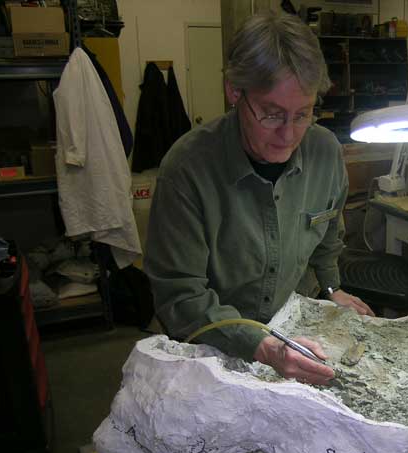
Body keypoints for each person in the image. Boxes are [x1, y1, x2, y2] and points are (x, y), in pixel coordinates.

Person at [144, 10, 374, 386]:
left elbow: (328, 235)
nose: (288, 134)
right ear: (235, 92)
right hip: (208, 346)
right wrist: (263, 347)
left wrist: (333, 290)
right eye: (272, 114)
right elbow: (180, 297)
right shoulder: (186, 170)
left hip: (292, 331)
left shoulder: (325, 151)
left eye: (303, 114)